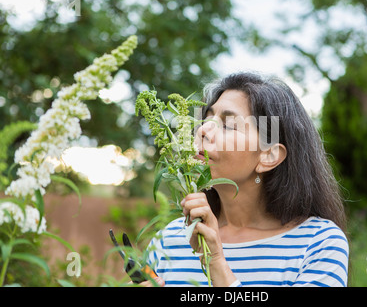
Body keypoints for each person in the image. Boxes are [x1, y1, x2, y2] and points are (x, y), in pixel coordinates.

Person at [145, 72, 348, 287]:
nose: (203, 130)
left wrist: (216, 263)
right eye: (207, 119)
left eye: (227, 125)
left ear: (268, 156)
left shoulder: (319, 243)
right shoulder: (168, 239)